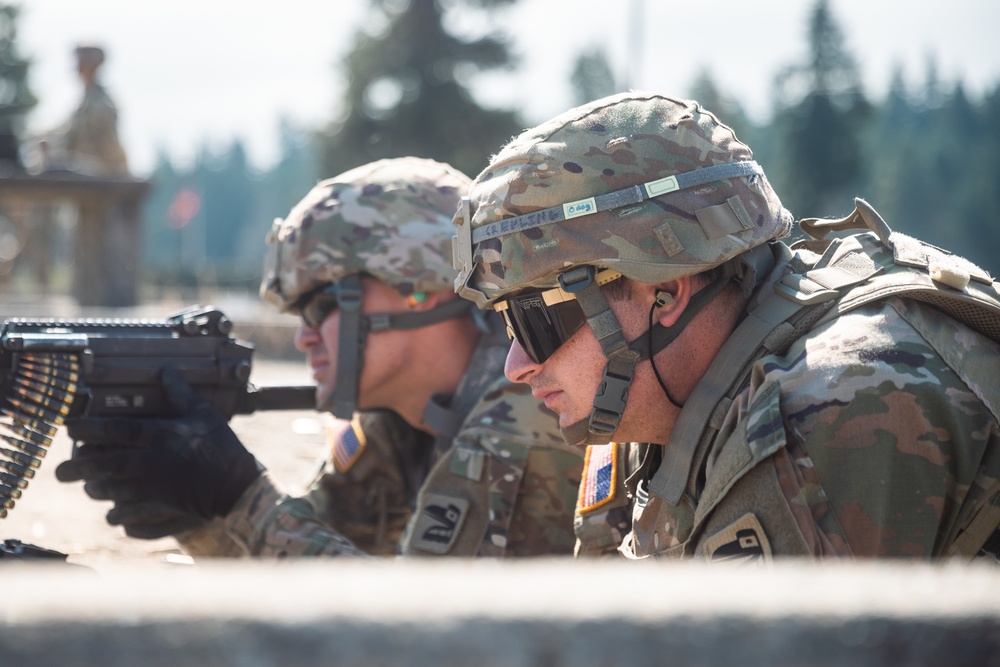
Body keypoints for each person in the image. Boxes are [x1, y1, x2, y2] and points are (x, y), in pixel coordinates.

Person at [452, 91, 1000, 561]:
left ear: (664, 291)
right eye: (507, 324)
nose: (518, 365)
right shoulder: (651, 405)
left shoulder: (825, 402)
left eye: (536, 319)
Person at [57, 157, 585, 558]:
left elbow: (425, 638)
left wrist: (237, 497)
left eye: (325, 305)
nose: (304, 338)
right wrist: (204, 514)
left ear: (423, 289)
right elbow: (319, 557)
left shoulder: (530, 411)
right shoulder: (400, 421)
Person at [39, 45, 129, 176]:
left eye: (82, 63)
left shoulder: (102, 104)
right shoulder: (83, 102)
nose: (77, 68)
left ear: (92, 66)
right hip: (85, 169)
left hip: (101, 171)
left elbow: (109, 148)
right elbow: (67, 137)